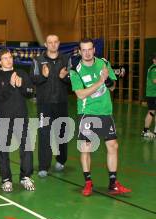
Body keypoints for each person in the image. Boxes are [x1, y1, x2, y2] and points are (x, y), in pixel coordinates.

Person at [70, 38, 131, 196]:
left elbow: (112, 87)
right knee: (86, 148)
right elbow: (80, 94)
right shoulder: (75, 70)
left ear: (94, 50)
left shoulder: (104, 63)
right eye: (84, 50)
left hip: (105, 111)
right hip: (87, 112)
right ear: (80, 51)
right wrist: (100, 81)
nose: (87, 53)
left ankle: (113, 183)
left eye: (90, 49)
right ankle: (88, 182)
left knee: (113, 145)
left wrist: (108, 80)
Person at [0, 48, 36, 192]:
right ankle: (6, 179)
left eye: (10, 57)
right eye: (5, 58)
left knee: (26, 148)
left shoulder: (21, 73)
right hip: (3, 119)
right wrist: (10, 85)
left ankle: (25, 177)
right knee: (3, 149)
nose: (9, 60)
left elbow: (30, 92)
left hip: (21, 117)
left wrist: (22, 86)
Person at [30, 34, 71, 177]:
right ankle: (43, 166)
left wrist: (64, 77)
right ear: (45, 44)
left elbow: (72, 80)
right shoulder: (38, 60)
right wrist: (43, 76)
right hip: (44, 104)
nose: (53, 45)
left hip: (61, 103)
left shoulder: (66, 59)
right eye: (50, 42)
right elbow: (33, 79)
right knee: (44, 134)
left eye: (55, 42)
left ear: (59, 43)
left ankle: (61, 160)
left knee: (61, 134)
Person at [141, 53, 156, 138]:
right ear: (154, 60)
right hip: (152, 94)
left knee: (153, 111)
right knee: (151, 111)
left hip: (153, 94)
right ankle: (145, 131)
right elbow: (154, 80)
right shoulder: (154, 69)